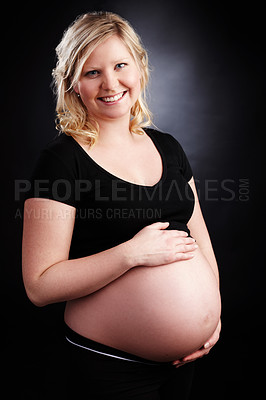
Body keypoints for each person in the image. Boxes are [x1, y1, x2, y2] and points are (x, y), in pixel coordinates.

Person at [22, 11, 221, 399]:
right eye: (92, 72)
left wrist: (213, 318)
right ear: (72, 83)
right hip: (110, 366)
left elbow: (201, 239)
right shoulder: (62, 161)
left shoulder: (168, 147)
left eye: (119, 65)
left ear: (140, 68)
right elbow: (39, 285)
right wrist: (131, 254)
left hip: (188, 358)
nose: (110, 83)